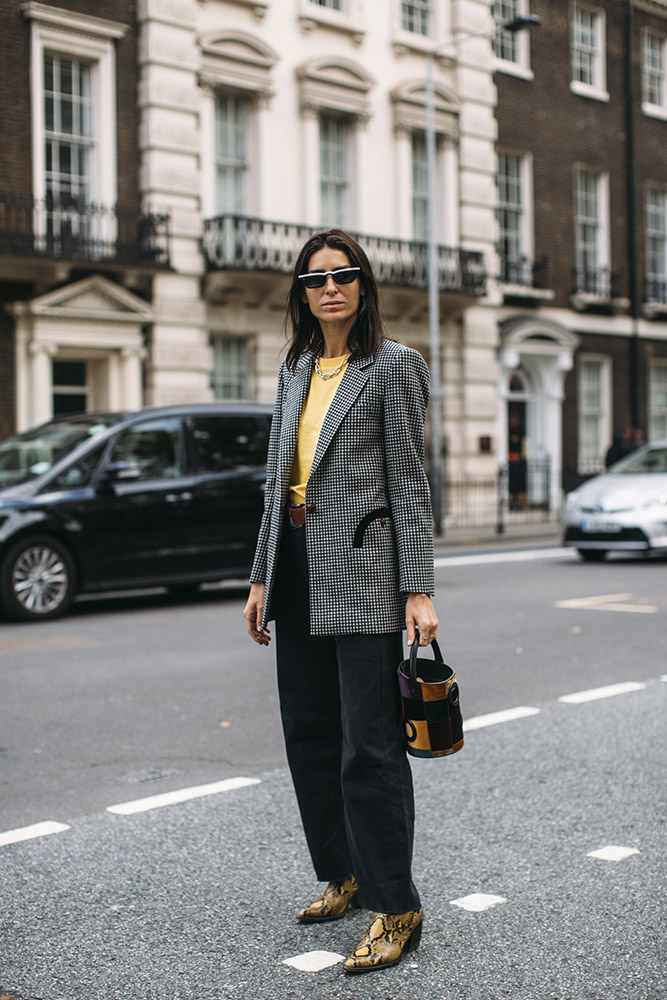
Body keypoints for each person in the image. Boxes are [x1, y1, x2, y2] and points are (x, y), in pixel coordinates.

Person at [243, 228, 438, 974]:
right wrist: (261, 576)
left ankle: (397, 904)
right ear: (301, 292)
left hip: (361, 569)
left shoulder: (394, 367)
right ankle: (344, 874)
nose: (329, 287)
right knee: (310, 734)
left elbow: (410, 483)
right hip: (293, 564)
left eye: (343, 275)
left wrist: (416, 587)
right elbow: (276, 482)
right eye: (315, 277)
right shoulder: (294, 368)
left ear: (363, 287)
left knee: (371, 745)